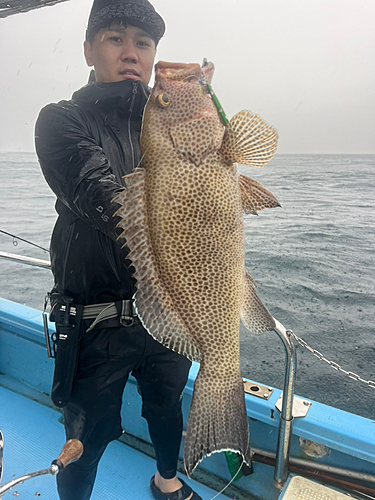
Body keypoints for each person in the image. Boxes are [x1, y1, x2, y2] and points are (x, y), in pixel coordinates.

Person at [35, 1, 201, 499]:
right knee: (86, 430)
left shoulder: (174, 124)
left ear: (154, 56)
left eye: (143, 43)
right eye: (115, 38)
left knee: (167, 407)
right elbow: (102, 195)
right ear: (89, 49)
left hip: (169, 313)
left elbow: (206, 199)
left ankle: (166, 481)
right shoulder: (61, 120)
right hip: (94, 320)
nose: (131, 52)